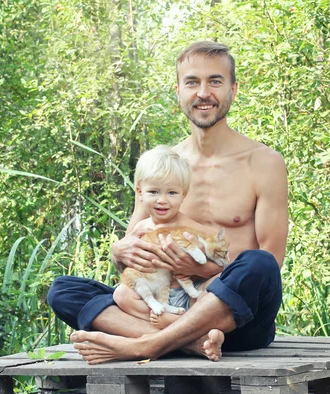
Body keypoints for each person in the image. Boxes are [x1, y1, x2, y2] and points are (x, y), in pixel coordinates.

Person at [47, 41, 288, 364]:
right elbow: (134, 253)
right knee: (64, 290)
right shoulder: (163, 166)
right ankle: (189, 342)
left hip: (236, 321)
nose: (204, 93)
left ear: (233, 88)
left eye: (215, 81)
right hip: (167, 306)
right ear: (178, 91)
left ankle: (145, 345)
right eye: (192, 82)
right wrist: (119, 252)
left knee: (258, 263)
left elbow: (272, 261)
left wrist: (201, 268)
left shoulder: (262, 162)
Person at [112, 145, 226, 326]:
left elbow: (218, 254)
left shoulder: (188, 227)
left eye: (172, 192)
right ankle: (170, 322)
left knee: (219, 286)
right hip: (152, 295)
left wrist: (199, 266)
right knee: (121, 294)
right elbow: (126, 261)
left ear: (183, 195)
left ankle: (180, 326)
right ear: (140, 193)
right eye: (153, 192)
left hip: (189, 294)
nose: (162, 200)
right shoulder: (141, 228)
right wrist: (118, 252)